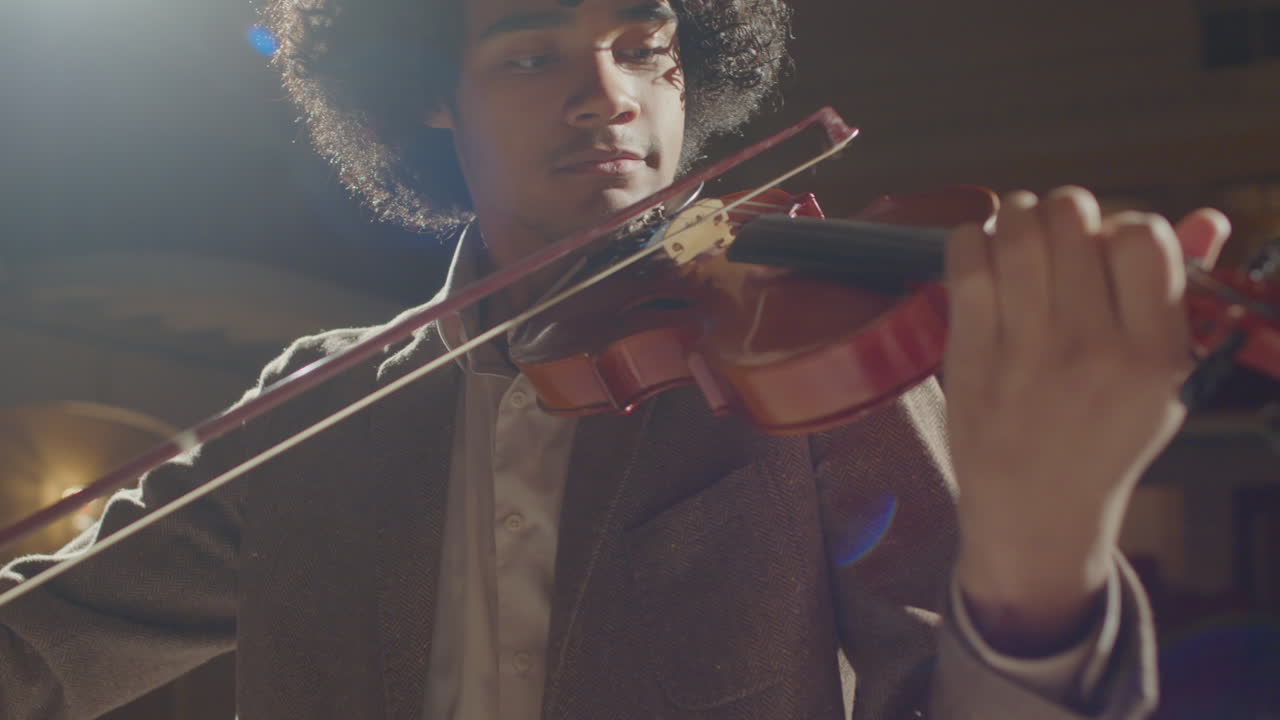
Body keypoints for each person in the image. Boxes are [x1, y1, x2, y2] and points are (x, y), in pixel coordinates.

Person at [0, 0, 1231, 718]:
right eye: (532, 55)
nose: (607, 96)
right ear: (430, 94)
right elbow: (40, 652)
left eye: (643, 46)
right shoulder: (317, 408)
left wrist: (1042, 558)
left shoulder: (794, 353)